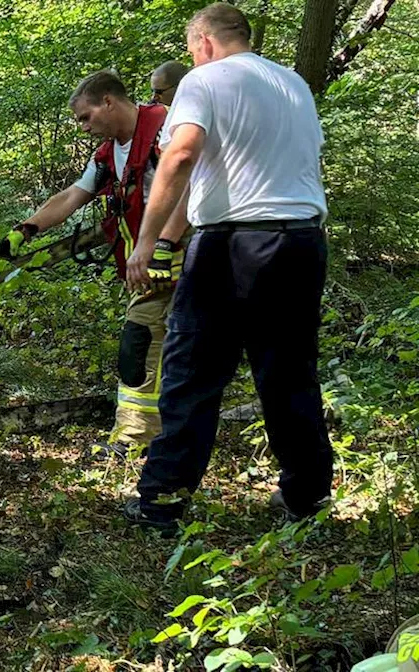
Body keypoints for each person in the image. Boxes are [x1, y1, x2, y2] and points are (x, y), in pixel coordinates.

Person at [123, 3, 333, 533]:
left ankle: (162, 504)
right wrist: (172, 236)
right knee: (289, 374)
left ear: (205, 43)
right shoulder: (292, 85)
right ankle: (307, 499)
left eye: (193, 50)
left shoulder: (205, 79)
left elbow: (183, 156)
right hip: (302, 241)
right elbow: (226, 171)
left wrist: (144, 243)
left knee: (192, 372)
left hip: (234, 247)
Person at [0, 70, 190, 457]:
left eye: (86, 117)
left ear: (109, 102)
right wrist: (25, 230)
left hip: (179, 258)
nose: (84, 128)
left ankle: (136, 439)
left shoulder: (166, 131)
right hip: (147, 264)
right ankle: (164, 436)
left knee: (141, 344)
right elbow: (72, 195)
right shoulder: (109, 154)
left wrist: (163, 245)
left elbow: (194, 186)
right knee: (166, 347)